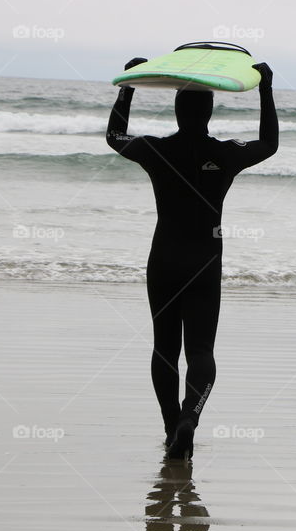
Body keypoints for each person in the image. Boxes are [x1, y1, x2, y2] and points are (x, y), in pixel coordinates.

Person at [106, 58, 279, 461]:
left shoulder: (156, 150)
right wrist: (265, 88)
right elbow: (269, 144)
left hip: (164, 256)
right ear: (210, 113)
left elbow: (115, 135)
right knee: (201, 350)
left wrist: (128, 86)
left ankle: (171, 427)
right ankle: (190, 420)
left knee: (164, 348)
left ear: (177, 111)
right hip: (206, 259)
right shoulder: (225, 154)